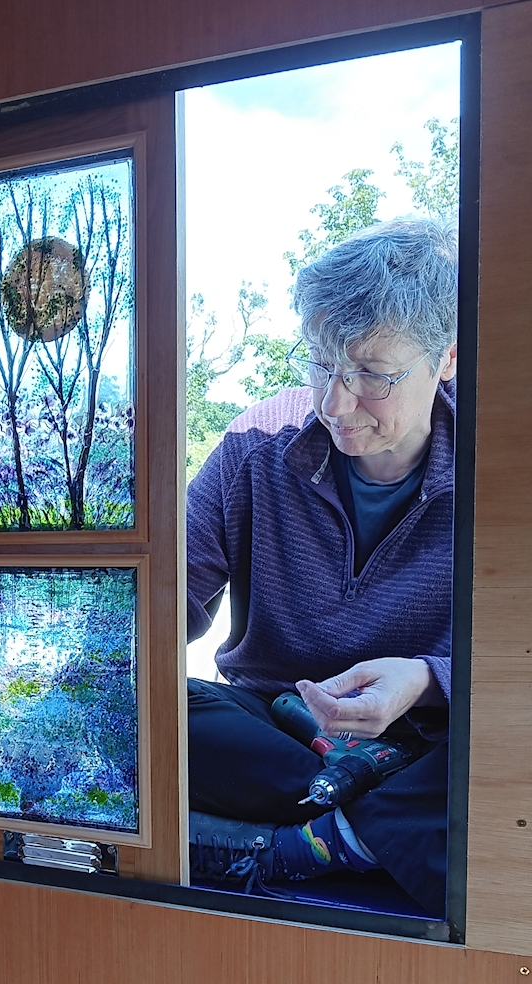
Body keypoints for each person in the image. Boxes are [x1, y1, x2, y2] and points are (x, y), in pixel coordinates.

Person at [185, 218, 457, 918]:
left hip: (428, 739)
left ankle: (309, 836)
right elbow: (161, 602)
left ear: (448, 358)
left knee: (488, 755)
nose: (336, 402)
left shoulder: (509, 461)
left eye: (371, 374)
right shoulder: (254, 443)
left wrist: (428, 680)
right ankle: (366, 827)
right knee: (134, 702)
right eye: (321, 364)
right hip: (273, 727)